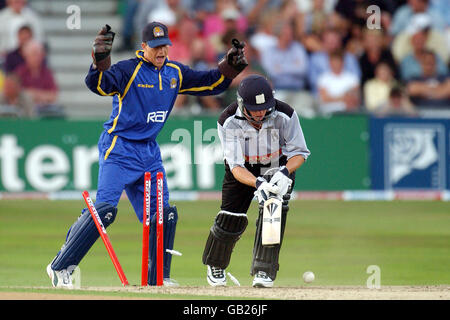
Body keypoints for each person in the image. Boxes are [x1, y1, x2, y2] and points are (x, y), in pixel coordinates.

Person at [46, 21, 248, 288]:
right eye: (155, 47)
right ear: (144, 47)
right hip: (119, 147)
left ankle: (158, 279)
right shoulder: (129, 70)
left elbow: (211, 83)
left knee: (163, 214)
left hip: (149, 152)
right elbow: (98, 84)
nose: (161, 51)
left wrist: (230, 65)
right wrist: (101, 59)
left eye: (164, 45)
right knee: (104, 211)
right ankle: (60, 267)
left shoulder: (174, 72)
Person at [202, 74, 310, 288]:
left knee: (274, 209)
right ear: (242, 104)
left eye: (265, 107)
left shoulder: (285, 114)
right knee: (231, 217)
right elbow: (235, 166)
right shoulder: (228, 120)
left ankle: (264, 270)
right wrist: (258, 183)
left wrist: (285, 173)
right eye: (255, 108)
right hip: (244, 167)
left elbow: (300, 152)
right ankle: (216, 264)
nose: (261, 113)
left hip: (277, 165)